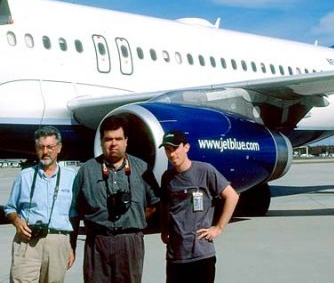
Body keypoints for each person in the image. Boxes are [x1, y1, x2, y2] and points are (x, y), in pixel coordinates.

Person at [71, 114, 160, 283]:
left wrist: (133, 219)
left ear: (126, 140)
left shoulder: (141, 168)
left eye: (118, 139)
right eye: (108, 139)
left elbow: (155, 203)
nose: (113, 144)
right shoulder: (87, 170)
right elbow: (74, 209)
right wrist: (72, 244)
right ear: (101, 142)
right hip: (97, 243)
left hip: (130, 242)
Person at [159, 130, 239, 283]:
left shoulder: (205, 171)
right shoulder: (167, 177)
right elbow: (164, 204)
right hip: (176, 255)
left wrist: (218, 228)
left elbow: (232, 196)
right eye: (167, 150)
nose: (171, 154)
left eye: (175, 148)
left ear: (186, 147)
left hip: (201, 255)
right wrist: (164, 229)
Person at [4, 126, 77, 283]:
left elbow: (73, 215)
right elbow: (9, 208)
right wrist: (17, 221)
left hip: (58, 243)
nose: (45, 152)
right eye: (41, 147)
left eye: (50, 147)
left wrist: (71, 246)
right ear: (36, 149)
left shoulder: (71, 177)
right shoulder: (25, 176)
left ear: (59, 148)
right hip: (28, 242)